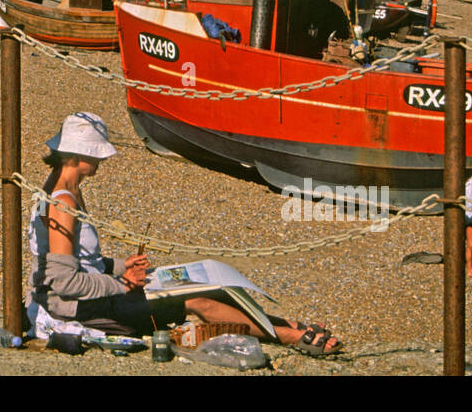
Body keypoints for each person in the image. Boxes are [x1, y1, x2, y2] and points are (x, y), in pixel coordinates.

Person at [27, 112, 342, 354]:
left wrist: (123, 266)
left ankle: (283, 325)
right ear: (84, 155)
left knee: (211, 287)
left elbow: (83, 261)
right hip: (82, 308)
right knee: (198, 302)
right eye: (98, 155)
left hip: (95, 295)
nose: (102, 161)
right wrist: (122, 284)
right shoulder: (62, 203)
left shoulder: (65, 190)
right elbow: (63, 282)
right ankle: (292, 337)